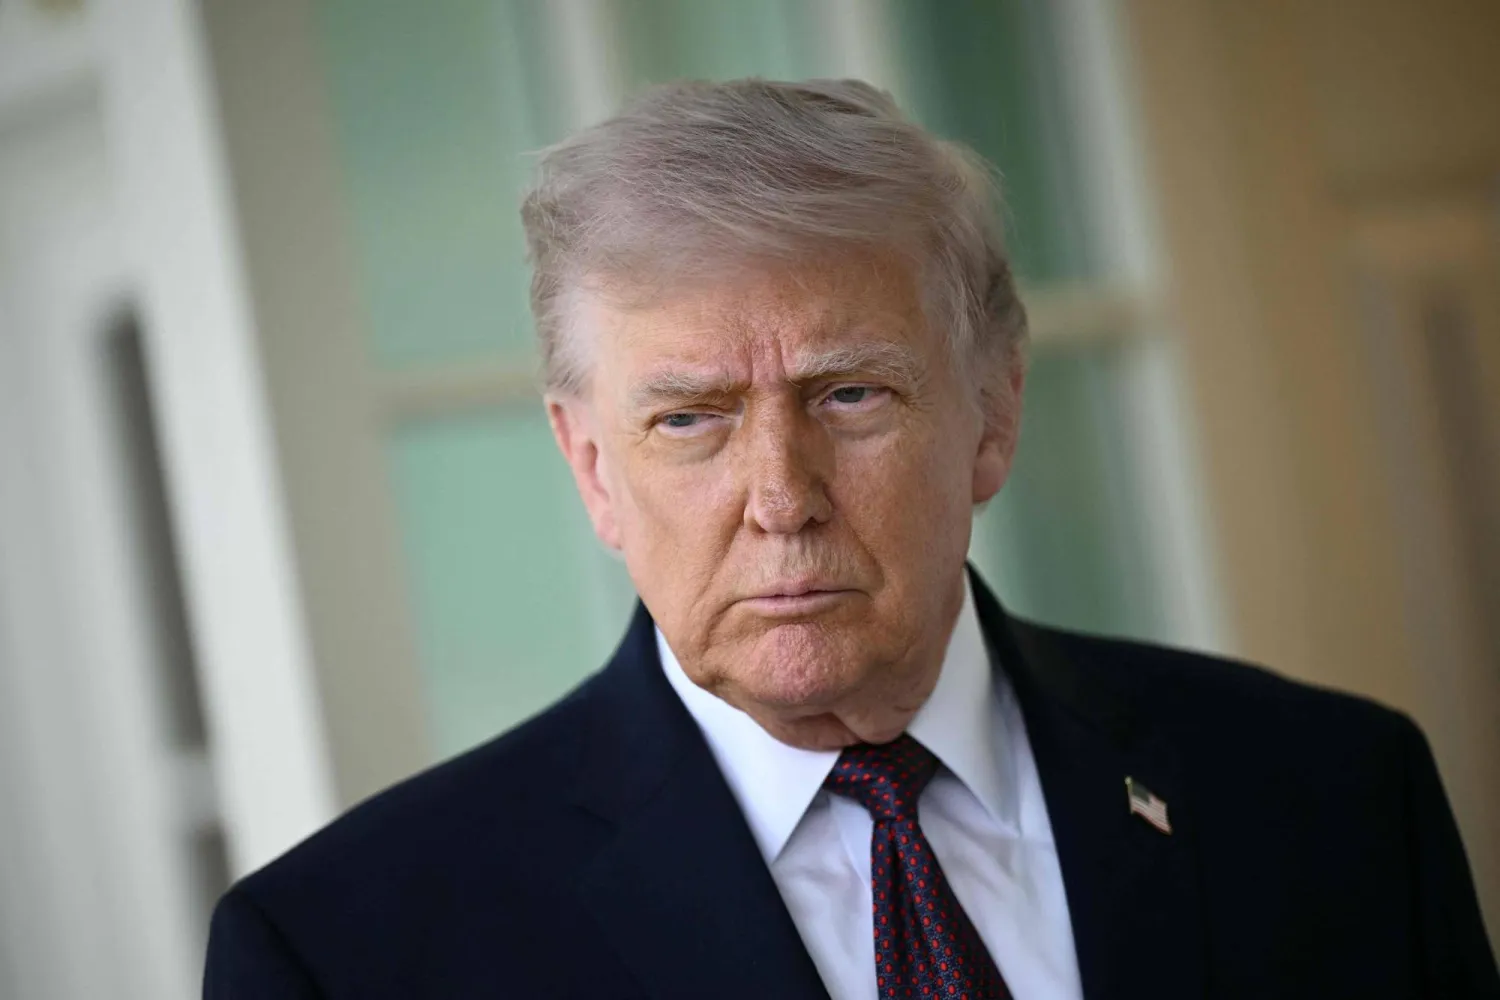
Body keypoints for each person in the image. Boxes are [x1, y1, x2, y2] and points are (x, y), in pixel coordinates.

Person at [203, 78, 1498, 999]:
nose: (780, 494)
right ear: (593, 468)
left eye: (848, 395)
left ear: (992, 414)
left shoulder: (1333, 798)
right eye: (692, 418)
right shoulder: (350, 953)